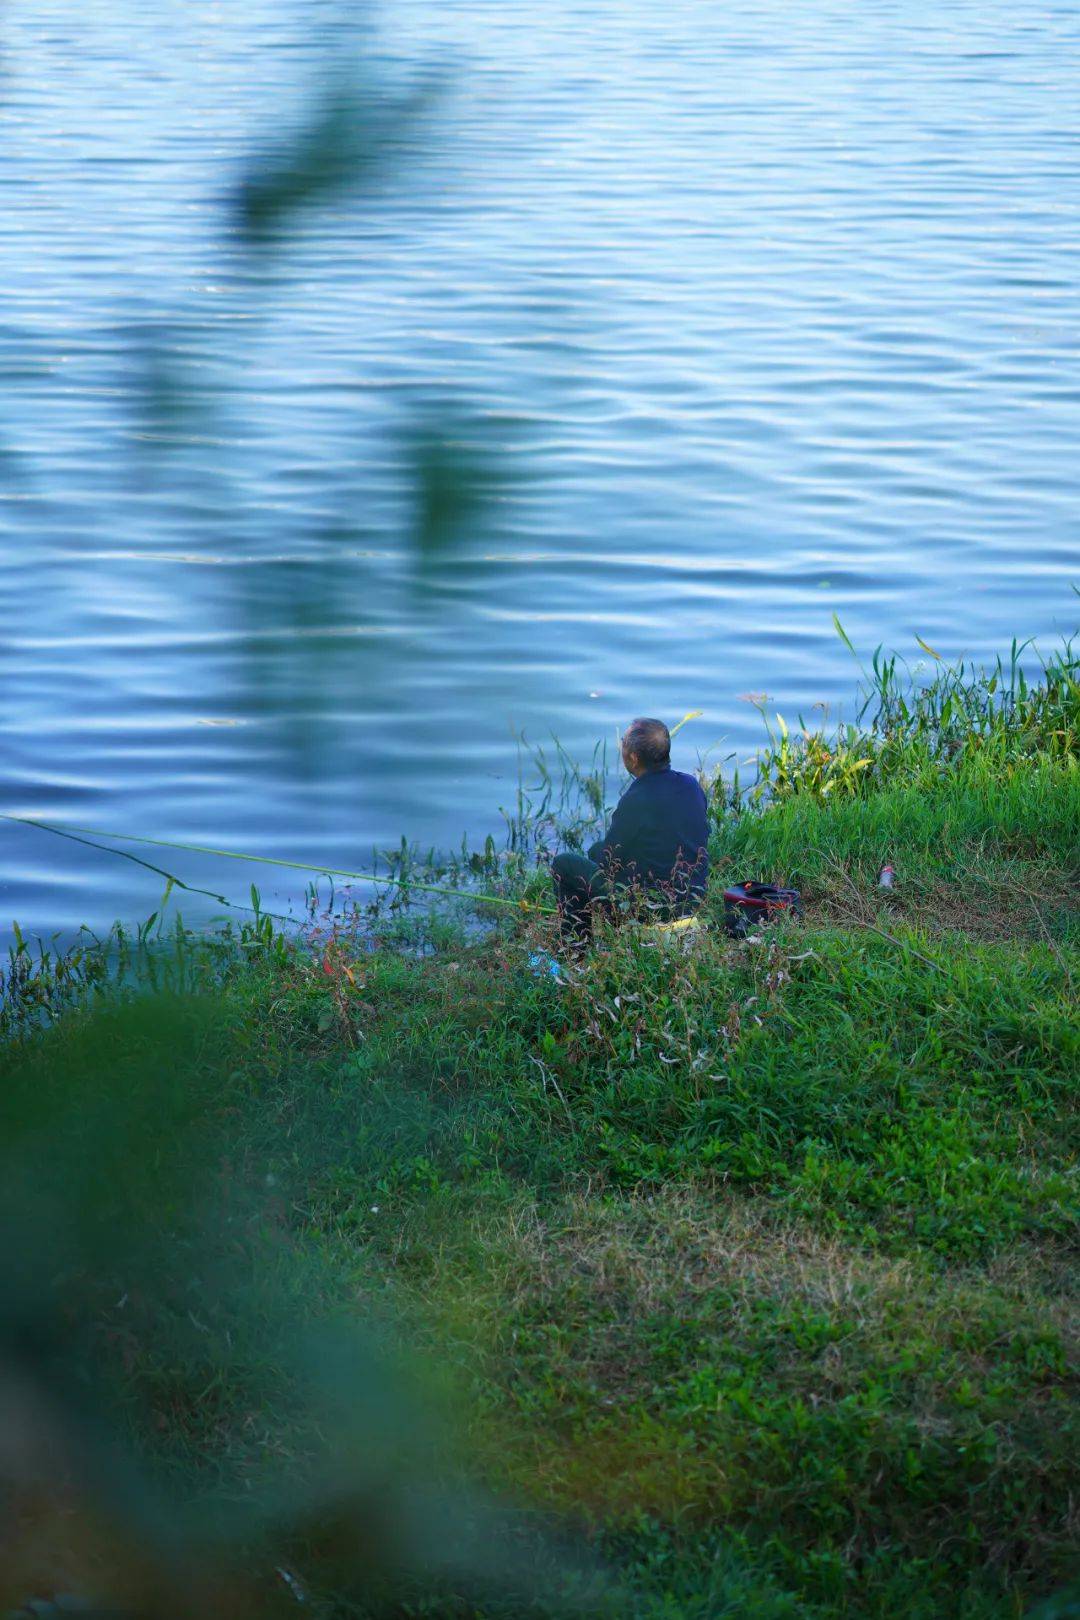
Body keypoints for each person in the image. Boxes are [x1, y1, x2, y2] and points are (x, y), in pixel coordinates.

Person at [551, 717, 709, 949]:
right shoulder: (690, 785)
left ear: (633, 758)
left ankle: (575, 950)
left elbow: (609, 860)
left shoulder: (636, 799)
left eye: (623, 742)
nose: (621, 747)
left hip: (651, 908)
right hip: (691, 897)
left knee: (563, 864)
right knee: (595, 849)